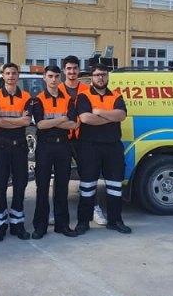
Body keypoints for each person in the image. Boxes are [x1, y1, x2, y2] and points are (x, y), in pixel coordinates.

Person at [74, 63, 132, 235]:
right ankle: (83, 222)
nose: (101, 78)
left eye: (104, 74)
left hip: (112, 146)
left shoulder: (116, 95)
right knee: (87, 186)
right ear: (91, 77)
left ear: (108, 77)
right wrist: (110, 117)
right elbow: (85, 118)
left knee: (115, 186)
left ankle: (115, 221)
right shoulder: (83, 96)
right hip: (89, 146)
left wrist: (98, 111)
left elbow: (121, 115)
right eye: (97, 75)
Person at [0, 62, 33, 242]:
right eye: (8, 73)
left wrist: (7, 120)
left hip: (20, 146)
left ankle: (17, 225)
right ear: (3, 76)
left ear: (18, 76)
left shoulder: (27, 97)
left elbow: (27, 122)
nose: (11, 76)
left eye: (14, 73)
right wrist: (17, 120)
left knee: (20, 185)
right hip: (2, 146)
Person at [59, 55, 107, 226]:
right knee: (60, 176)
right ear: (64, 70)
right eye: (69, 68)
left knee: (89, 175)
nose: (72, 72)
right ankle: (57, 210)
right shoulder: (56, 89)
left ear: (79, 70)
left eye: (75, 68)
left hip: (84, 138)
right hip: (63, 139)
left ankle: (94, 208)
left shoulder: (88, 89)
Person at [31, 65, 78, 239]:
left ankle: (62, 225)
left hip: (63, 146)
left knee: (62, 187)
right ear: (44, 77)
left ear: (60, 78)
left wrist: (52, 122)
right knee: (41, 187)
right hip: (45, 146)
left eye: (56, 76)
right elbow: (40, 125)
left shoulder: (68, 99)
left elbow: (74, 124)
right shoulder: (38, 99)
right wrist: (62, 119)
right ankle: (40, 226)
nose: (53, 79)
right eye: (50, 76)